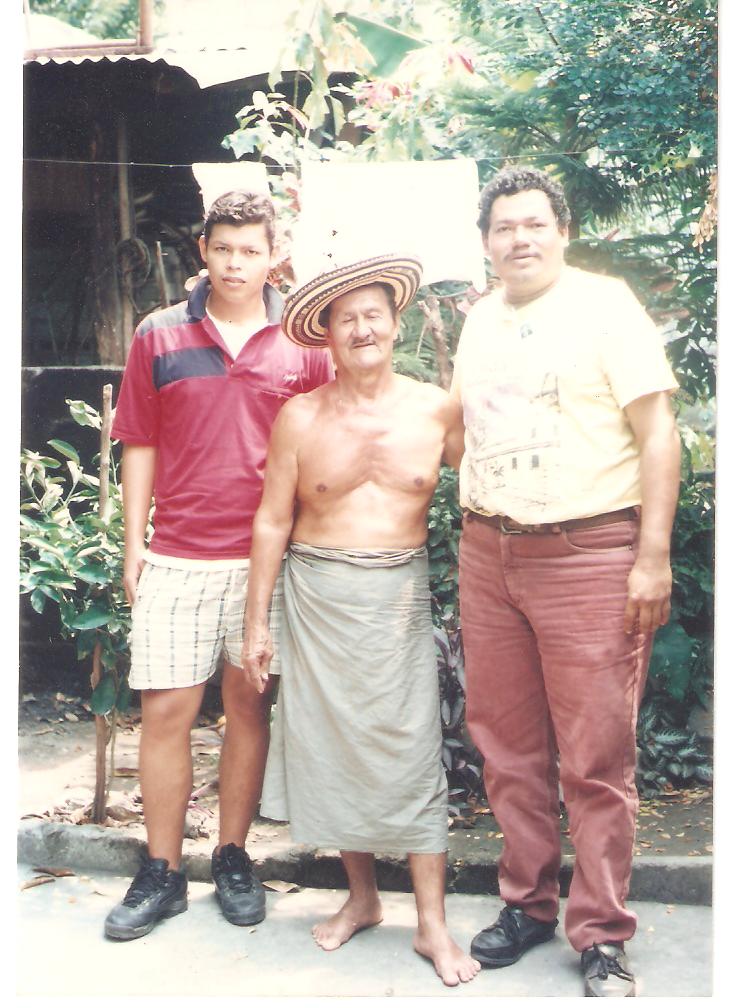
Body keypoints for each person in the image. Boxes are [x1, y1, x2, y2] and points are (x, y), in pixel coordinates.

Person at [451, 166, 681, 997]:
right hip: (491, 554)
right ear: (486, 243)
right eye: (504, 227)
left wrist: (650, 556)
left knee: (594, 757)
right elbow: (460, 432)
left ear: (563, 230)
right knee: (507, 748)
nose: (519, 238)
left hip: (589, 553)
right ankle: (528, 902)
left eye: (534, 224)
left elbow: (659, 436)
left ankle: (601, 931)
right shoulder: (480, 319)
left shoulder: (606, 307)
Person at [242, 254, 479, 987]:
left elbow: (483, 494)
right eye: (346, 319)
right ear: (327, 337)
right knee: (334, 749)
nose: (362, 327)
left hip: (399, 596)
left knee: (411, 752)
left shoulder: (438, 408)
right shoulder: (301, 416)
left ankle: (432, 924)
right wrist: (256, 625)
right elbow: (271, 521)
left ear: (396, 322)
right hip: (315, 595)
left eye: (374, 313)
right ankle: (364, 897)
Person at [104, 189, 334, 941]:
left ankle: (233, 855)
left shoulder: (304, 345)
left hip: (266, 560)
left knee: (246, 707)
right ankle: (162, 869)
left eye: (252, 250)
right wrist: (135, 543)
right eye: (224, 249)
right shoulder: (158, 336)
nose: (237, 264)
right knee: (164, 713)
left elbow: (319, 453)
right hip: (177, 555)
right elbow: (139, 441)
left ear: (276, 255)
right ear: (203, 249)